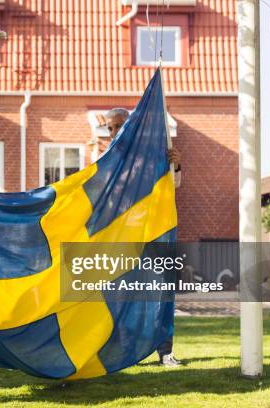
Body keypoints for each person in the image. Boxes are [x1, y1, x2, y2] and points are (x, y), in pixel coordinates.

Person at [97, 108, 182, 367]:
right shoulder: (104, 159)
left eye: (118, 125)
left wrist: (175, 165)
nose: (113, 132)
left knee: (159, 294)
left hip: (154, 235)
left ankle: (165, 352)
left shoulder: (154, 155)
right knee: (120, 296)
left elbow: (172, 186)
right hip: (120, 239)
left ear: (131, 125)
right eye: (110, 128)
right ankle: (126, 353)